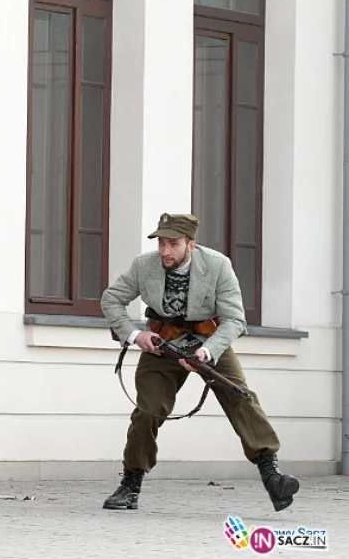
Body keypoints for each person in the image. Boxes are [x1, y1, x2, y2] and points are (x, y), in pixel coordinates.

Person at [101, 213, 299, 512]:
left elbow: (235, 319)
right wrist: (134, 335)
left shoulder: (218, 265)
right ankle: (130, 485)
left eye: (173, 244)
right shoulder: (144, 265)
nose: (165, 251)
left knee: (240, 397)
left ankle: (272, 475)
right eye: (162, 244)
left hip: (209, 343)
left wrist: (208, 351)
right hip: (162, 344)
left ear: (191, 245)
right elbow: (111, 298)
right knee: (147, 411)